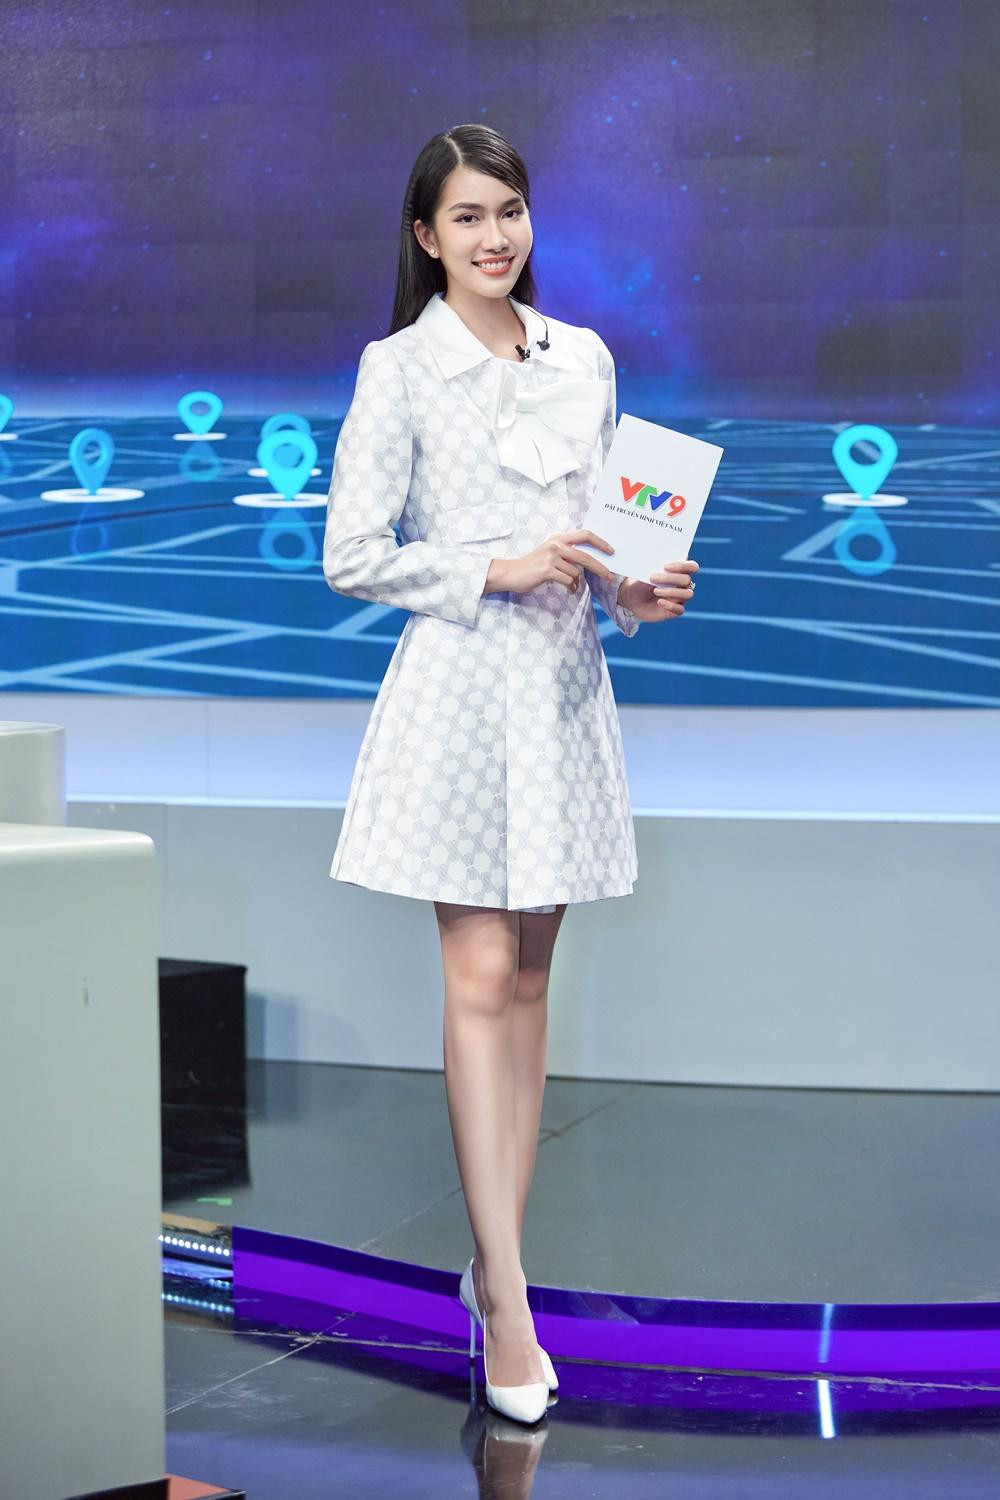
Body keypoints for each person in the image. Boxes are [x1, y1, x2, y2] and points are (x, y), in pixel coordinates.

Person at [322, 123, 698, 1423]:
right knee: (480, 975)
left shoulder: (583, 357)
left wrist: (643, 593)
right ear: (426, 237)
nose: (495, 236)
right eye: (469, 216)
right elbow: (352, 555)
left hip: (563, 693)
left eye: (511, 210)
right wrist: (496, 565)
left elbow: (611, 552)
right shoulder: (398, 368)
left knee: (533, 979)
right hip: (460, 689)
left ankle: (495, 1267)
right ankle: (513, 1306)